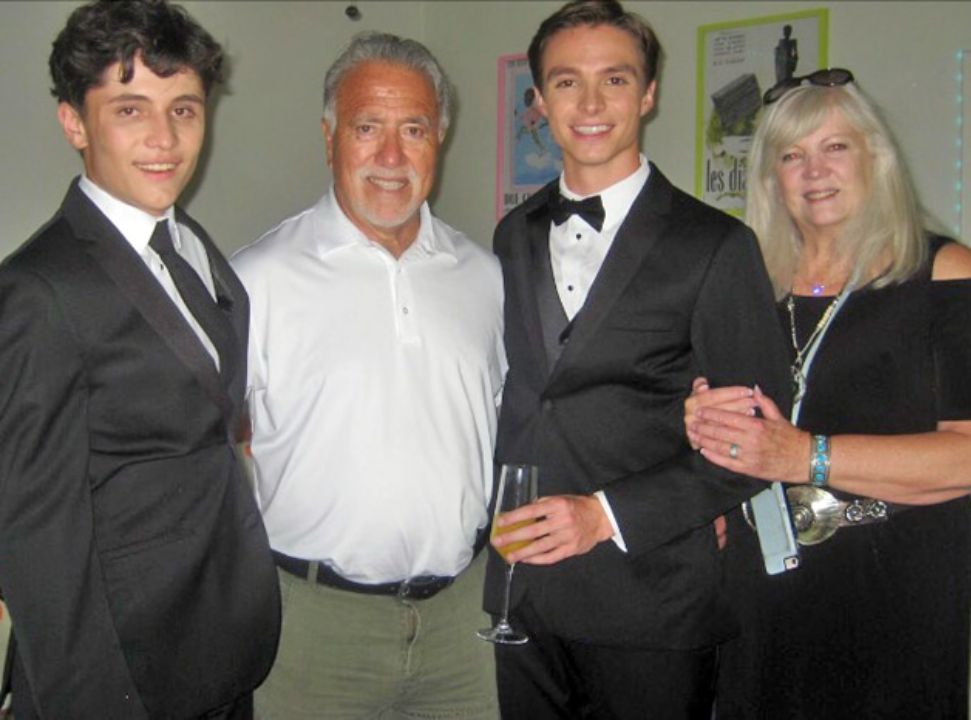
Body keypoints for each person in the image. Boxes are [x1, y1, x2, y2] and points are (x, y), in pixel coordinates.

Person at [483, 1, 791, 718]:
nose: (589, 104)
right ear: (538, 100)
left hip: (650, 600)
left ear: (647, 93)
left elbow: (756, 441)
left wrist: (603, 515)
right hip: (521, 595)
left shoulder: (715, 245)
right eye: (565, 82)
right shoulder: (512, 235)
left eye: (614, 80)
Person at [0, 1, 281, 718]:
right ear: (74, 122)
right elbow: (35, 538)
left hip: (215, 654)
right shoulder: (39, 290)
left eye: (184, 110)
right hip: (120, 678)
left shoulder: (190, 244)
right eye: (130, 110)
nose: (165, 139)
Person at [231, 31, 505, 720]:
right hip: (312, 632)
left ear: (438, 140)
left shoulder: (485, 278)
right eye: (366, 128)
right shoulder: (257, 280)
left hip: (461, 628)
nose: (390, 156)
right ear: (329, 137)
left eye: (412, 129)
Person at [685, 69, 971, 718]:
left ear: (876, 157)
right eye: (791, 155)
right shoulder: (749, 290)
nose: (813, 170)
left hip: (893, 593)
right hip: (758, 588)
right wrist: (702, 428)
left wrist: (804, 457)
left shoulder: (945, 274)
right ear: (769, 178)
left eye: (834, 147)